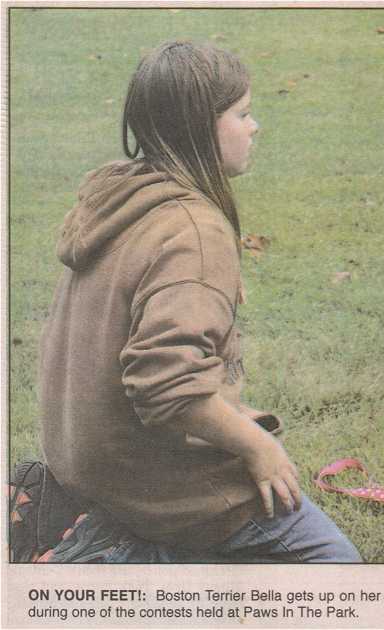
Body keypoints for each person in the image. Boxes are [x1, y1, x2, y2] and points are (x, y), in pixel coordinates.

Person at [33, 41, 361, 563]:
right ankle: (129, 559)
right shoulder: (193, 231)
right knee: (336, 571)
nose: (255, 127)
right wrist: (260, 449)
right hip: (156, 489)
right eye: (243, 113)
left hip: (88, 464)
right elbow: (167, 385)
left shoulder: (122, 197)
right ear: (200, 126)